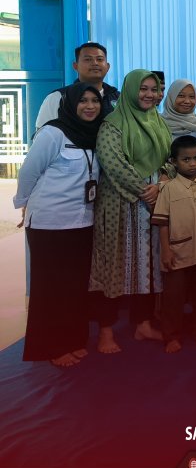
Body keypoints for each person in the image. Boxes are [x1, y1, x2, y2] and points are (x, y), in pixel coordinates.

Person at [15, 84, 104, 366]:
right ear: (70, 104)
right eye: (83, 101)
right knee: (51, 288)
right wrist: (24, 203)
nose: (89, 106)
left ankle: (73, 339)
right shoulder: (52, 133)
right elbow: (29, 171)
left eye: (94, 101)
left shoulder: (96, 134)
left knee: (75, 286)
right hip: (49, 222)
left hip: (83, 220)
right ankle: (52, 347)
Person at [89, 69, 172, 353]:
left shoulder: (158, 122)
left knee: (147, 266)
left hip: (151, 205)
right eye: (143, 88)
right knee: (114, 266)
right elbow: (112, 162)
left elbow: (169, 159)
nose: (149, 94)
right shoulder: (112, 124)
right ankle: (106, 331)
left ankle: (142, 324)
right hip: (119, 206)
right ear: (130, 90)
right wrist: (144, 189)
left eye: (153, 89)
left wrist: (161, 182)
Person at [152, 136, 196, 353]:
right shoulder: (168, 189)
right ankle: (172, 336)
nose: (192, 164)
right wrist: (165, 251)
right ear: (174, 162)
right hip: (177, 253)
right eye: (186, 160)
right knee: (173, 297)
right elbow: (162, 223)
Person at [35, 42, 119, 128]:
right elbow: (43, 132)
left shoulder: (119, 98)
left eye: (100, 59)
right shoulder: (59, 97)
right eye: (88, 59)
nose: (95, 63)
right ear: (75, 66)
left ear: (108, 67)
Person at [160, 79, 196, 153]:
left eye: (192, 97)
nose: (187, 101)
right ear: (171, 97)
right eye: (181, 96)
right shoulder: (159, 124)